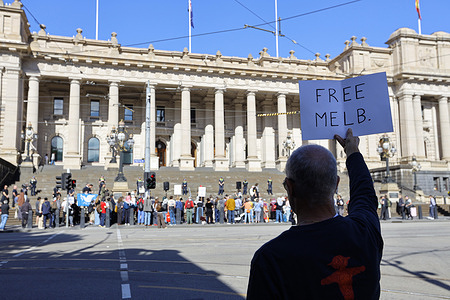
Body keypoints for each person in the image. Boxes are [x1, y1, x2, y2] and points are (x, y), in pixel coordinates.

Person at [247, 129, 383, 299]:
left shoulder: (270, 258)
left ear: (290, 187)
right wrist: (353, 152)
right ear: (336, 184)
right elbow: (365, 195)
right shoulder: (365, 233)